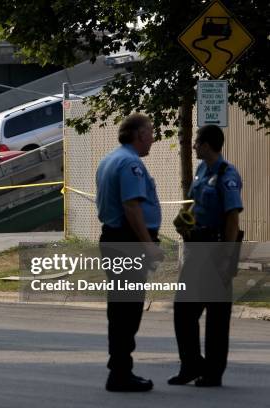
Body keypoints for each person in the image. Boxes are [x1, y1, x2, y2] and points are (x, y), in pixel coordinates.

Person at [169, 125, 243, 387]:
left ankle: (212, 372)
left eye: (197, 141)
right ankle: (190, 365)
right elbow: (194, 206)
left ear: (208, 145)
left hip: (217, 248)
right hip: (197, 248)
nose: (193, 145)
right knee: (183, 311)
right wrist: (183, 222)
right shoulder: (201, 171)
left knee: (216, 316)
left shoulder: (227, 174)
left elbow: (232, 218)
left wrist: (227, 258)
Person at [96, 113, 164, 392]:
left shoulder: (110, 159)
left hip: (116, 240)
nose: (152, 138)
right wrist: (148, 245)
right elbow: (132, 207)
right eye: (149, 133)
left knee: (120, 308)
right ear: (138, 135)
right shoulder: (130, 163)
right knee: (129, 309)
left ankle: (120, 368)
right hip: (128, 242)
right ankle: (121, 372)